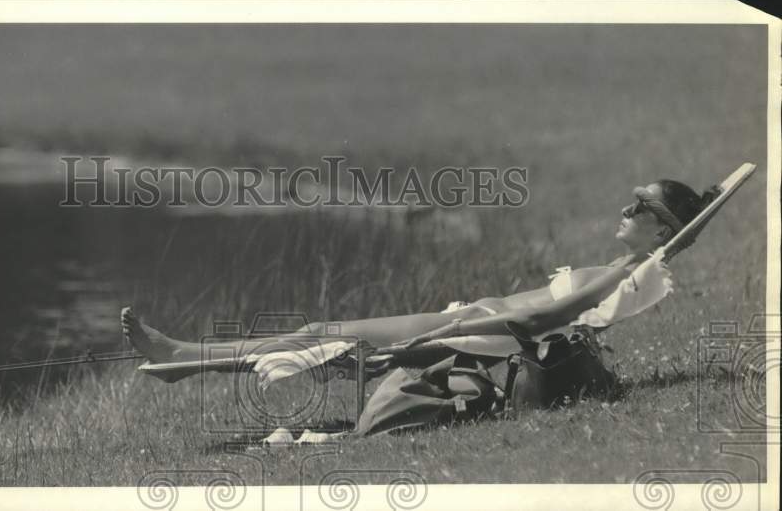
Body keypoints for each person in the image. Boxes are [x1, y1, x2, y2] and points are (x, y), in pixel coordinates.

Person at [121, 179, 718, 371]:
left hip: (473, 330)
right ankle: (186, 358)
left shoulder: (625, 272)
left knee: (322, 336)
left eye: (640, 207)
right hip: (474, 323)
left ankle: (184, 358)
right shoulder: (626, 269)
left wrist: (442, 335)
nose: (626, 209)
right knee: (319, 336)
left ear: (662, 230)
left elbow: (546, 317)